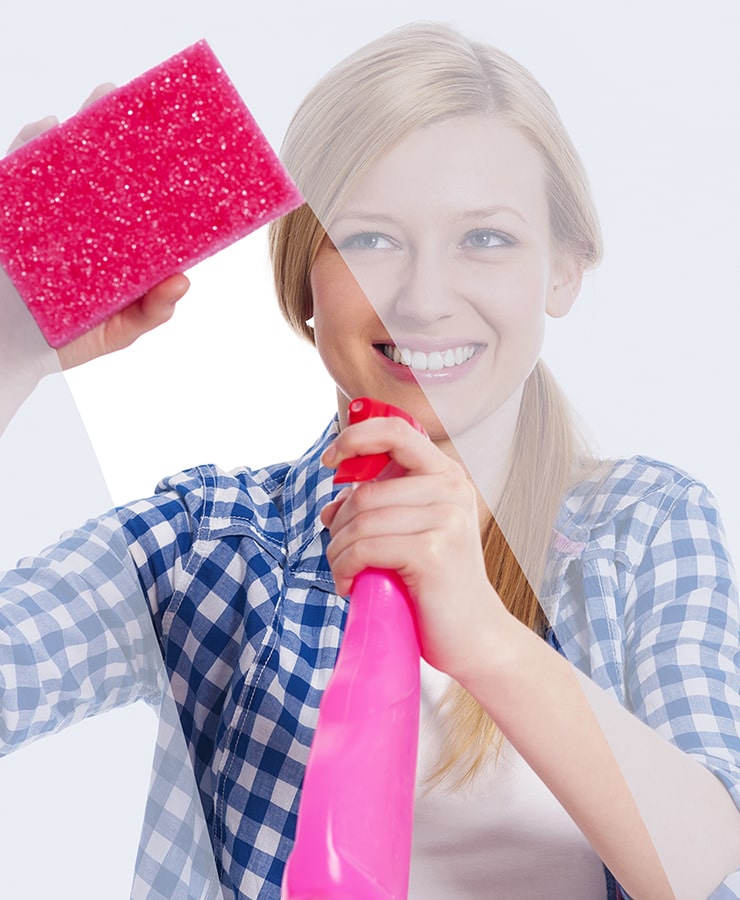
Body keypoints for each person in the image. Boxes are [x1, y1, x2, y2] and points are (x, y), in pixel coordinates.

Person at [1, 21, 739, 900]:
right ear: (303, 278)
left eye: (486, 238)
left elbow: (708, 861)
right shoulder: (209, 545)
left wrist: (487, 637)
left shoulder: (645, 527)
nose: (422, 299)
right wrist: (9, 345)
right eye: (371, 239)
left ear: (565, 270)